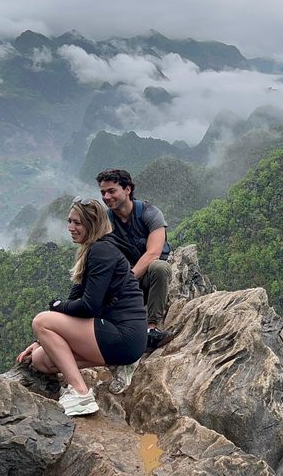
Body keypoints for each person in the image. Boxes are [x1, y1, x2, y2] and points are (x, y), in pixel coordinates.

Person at [16, 197, 147, 415]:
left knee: (41, 321)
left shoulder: (101, 251)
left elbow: (89, 307)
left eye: (77, 223)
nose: (70, 228)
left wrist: (56, 307)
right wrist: (40, 341)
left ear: (92, 224)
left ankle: (80, 394)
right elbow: (75, 302)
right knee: (41, 360)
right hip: (117, 336)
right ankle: (119, 365)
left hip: (125, 335)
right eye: (69, 221)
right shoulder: (92, 252)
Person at [96, 169, 174, 352]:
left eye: (112, 191)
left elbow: (154, 253)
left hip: (144, 278)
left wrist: (126, 282)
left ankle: (151, 329)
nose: (107, 197)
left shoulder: (150, 214)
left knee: (159, 267)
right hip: (123, 280)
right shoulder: (105, 222)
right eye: (103, 193)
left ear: (127, 190)